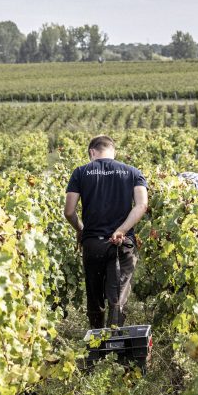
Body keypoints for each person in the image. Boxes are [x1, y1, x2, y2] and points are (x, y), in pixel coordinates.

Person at [64, 134, 148, 329]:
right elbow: (142, 205)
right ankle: (115, 342)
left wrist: (81, 229)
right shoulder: (133, 172)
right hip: (121, 243)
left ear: (92, 152)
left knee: (94, 295)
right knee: (117, 296)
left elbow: (69, 211)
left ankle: (96, 343)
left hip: (93, 243)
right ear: (113, 151)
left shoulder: (80, 172)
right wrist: (121, 230)